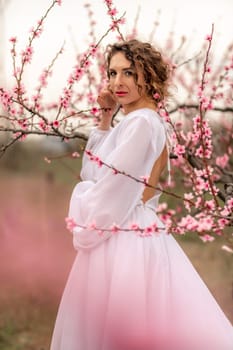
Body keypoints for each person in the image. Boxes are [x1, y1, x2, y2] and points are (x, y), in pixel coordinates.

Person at [50, 39, 233, 350]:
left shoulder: (141, 124)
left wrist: (82, 204)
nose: (117, 82)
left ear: (148, 77)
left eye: (129, 73)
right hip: (132, 230)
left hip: (123, 237)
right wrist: (106, 119)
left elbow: (109, 190)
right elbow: (97, 173)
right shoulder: (138, 122)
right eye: (112, 73)